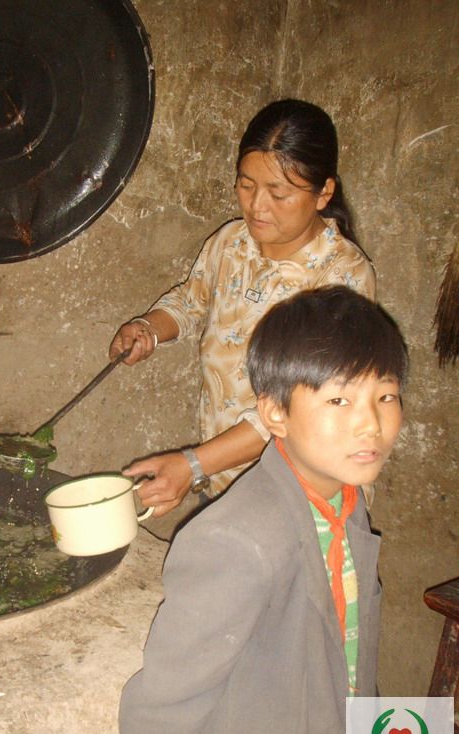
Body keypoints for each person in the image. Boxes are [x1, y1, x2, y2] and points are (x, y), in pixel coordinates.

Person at [119, 286, 409, 734]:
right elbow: (160, 714)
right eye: (339, 400)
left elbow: (353, 659)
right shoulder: (236, 541)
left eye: (385, 396)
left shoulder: (347, 504)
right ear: (275, 414)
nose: (371, 424)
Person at [109, 99, 376, 517]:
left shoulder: (342, 278)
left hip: (303, 498)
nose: (257, 206)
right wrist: (149, 329)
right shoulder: (231, 243)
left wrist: (192, 464)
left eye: (279, 193)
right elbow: (190, 299)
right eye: (246, 185)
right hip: (225, 479)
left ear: (323, 193)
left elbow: (294, 410)